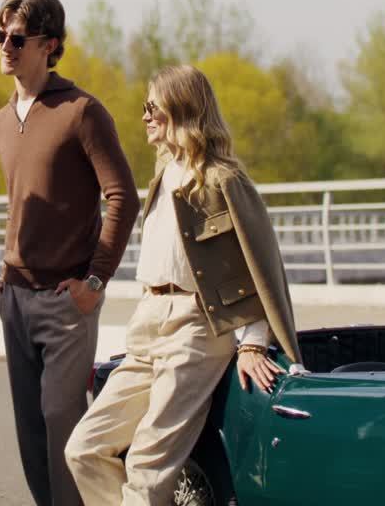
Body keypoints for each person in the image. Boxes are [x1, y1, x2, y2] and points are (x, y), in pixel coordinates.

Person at [65, 64, 303, 506]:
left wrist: (253, 342)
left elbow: (262, 269)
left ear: (182, 110)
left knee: (147, 469)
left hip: (196, 329)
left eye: (152, 107)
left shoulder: (223, 180)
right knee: (84, 449)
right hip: (147, 324)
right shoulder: (163, 175)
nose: (145, 117)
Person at [0, 0, 140, 506]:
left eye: (17, 37)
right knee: (31, 434)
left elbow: (123, 197)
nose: (5, 46)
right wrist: (5, 282)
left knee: (62, 424)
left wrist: (95, 280)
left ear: (49, 45)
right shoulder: (2, 121)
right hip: (15, 296)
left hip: (66, 298)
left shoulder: (82, 112)